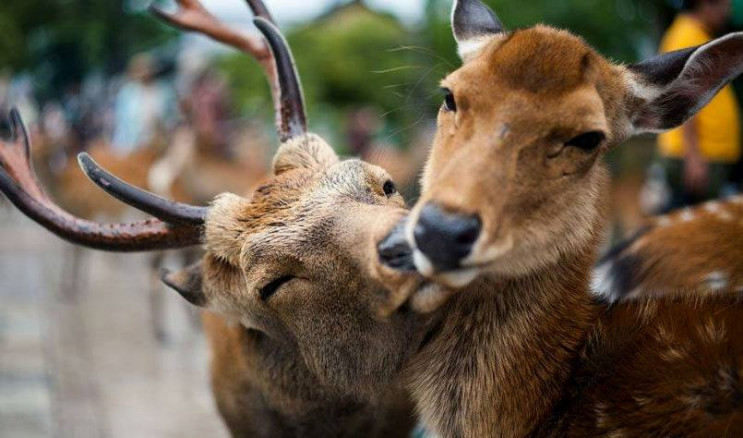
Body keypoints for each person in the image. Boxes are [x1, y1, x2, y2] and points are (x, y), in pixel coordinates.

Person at [656, 0, 740, 210]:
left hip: (704, 155)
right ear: (706, 4)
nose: (727, 12)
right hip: (695, 158)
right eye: (724, 5)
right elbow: (683, 99)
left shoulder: (699, 34)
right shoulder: (686, 36)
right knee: (691, 231)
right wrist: (694, 157)